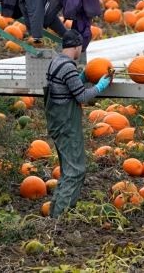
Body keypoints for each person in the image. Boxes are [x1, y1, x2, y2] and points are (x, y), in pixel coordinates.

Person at [44, 29, 112, 217]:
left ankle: (55, 212)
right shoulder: (67, 67)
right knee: (75, 171)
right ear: (76, 46)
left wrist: (81, 78)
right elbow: (81, 96)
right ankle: (60, 216)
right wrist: (100, 86)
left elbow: (66, 87)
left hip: (58, 121)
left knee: (68, 169)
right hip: (66, 124)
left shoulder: (56, 61)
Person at [0, 0, 102, 50]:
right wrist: (64, 33)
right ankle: (71, 39)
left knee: (42, 14)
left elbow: (36, 12)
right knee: (47, 16)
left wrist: (37, 38)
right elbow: (46, 16)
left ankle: (72, 40)